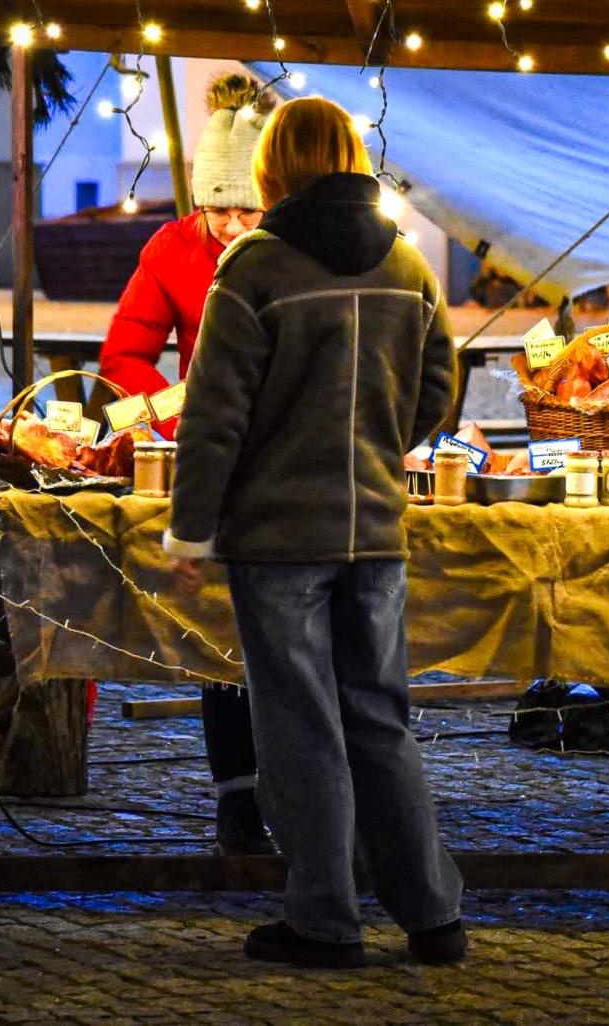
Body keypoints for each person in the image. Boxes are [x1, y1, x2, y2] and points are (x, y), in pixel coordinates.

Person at [162, 96, 467, 969]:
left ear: (274, 167)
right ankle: (432, 917)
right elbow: (438, 389)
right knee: (380, 720)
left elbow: (213, 417)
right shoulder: (407, 264)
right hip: (375, 528)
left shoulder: (253, 268)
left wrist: (191, 533)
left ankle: (325, 920)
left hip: (278, 538)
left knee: (298, 726)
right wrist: (378, 445)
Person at [98, 73, 276, 856]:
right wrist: (178, 403)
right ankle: (237, 799)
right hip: (215, 461)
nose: (233, 224)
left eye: (248, 207)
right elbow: (123, 357)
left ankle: (311, 795)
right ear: (199, 201)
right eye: (219, 208)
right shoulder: (172, 248)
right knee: (222, 637)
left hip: (290, 456)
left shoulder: (292, 251)